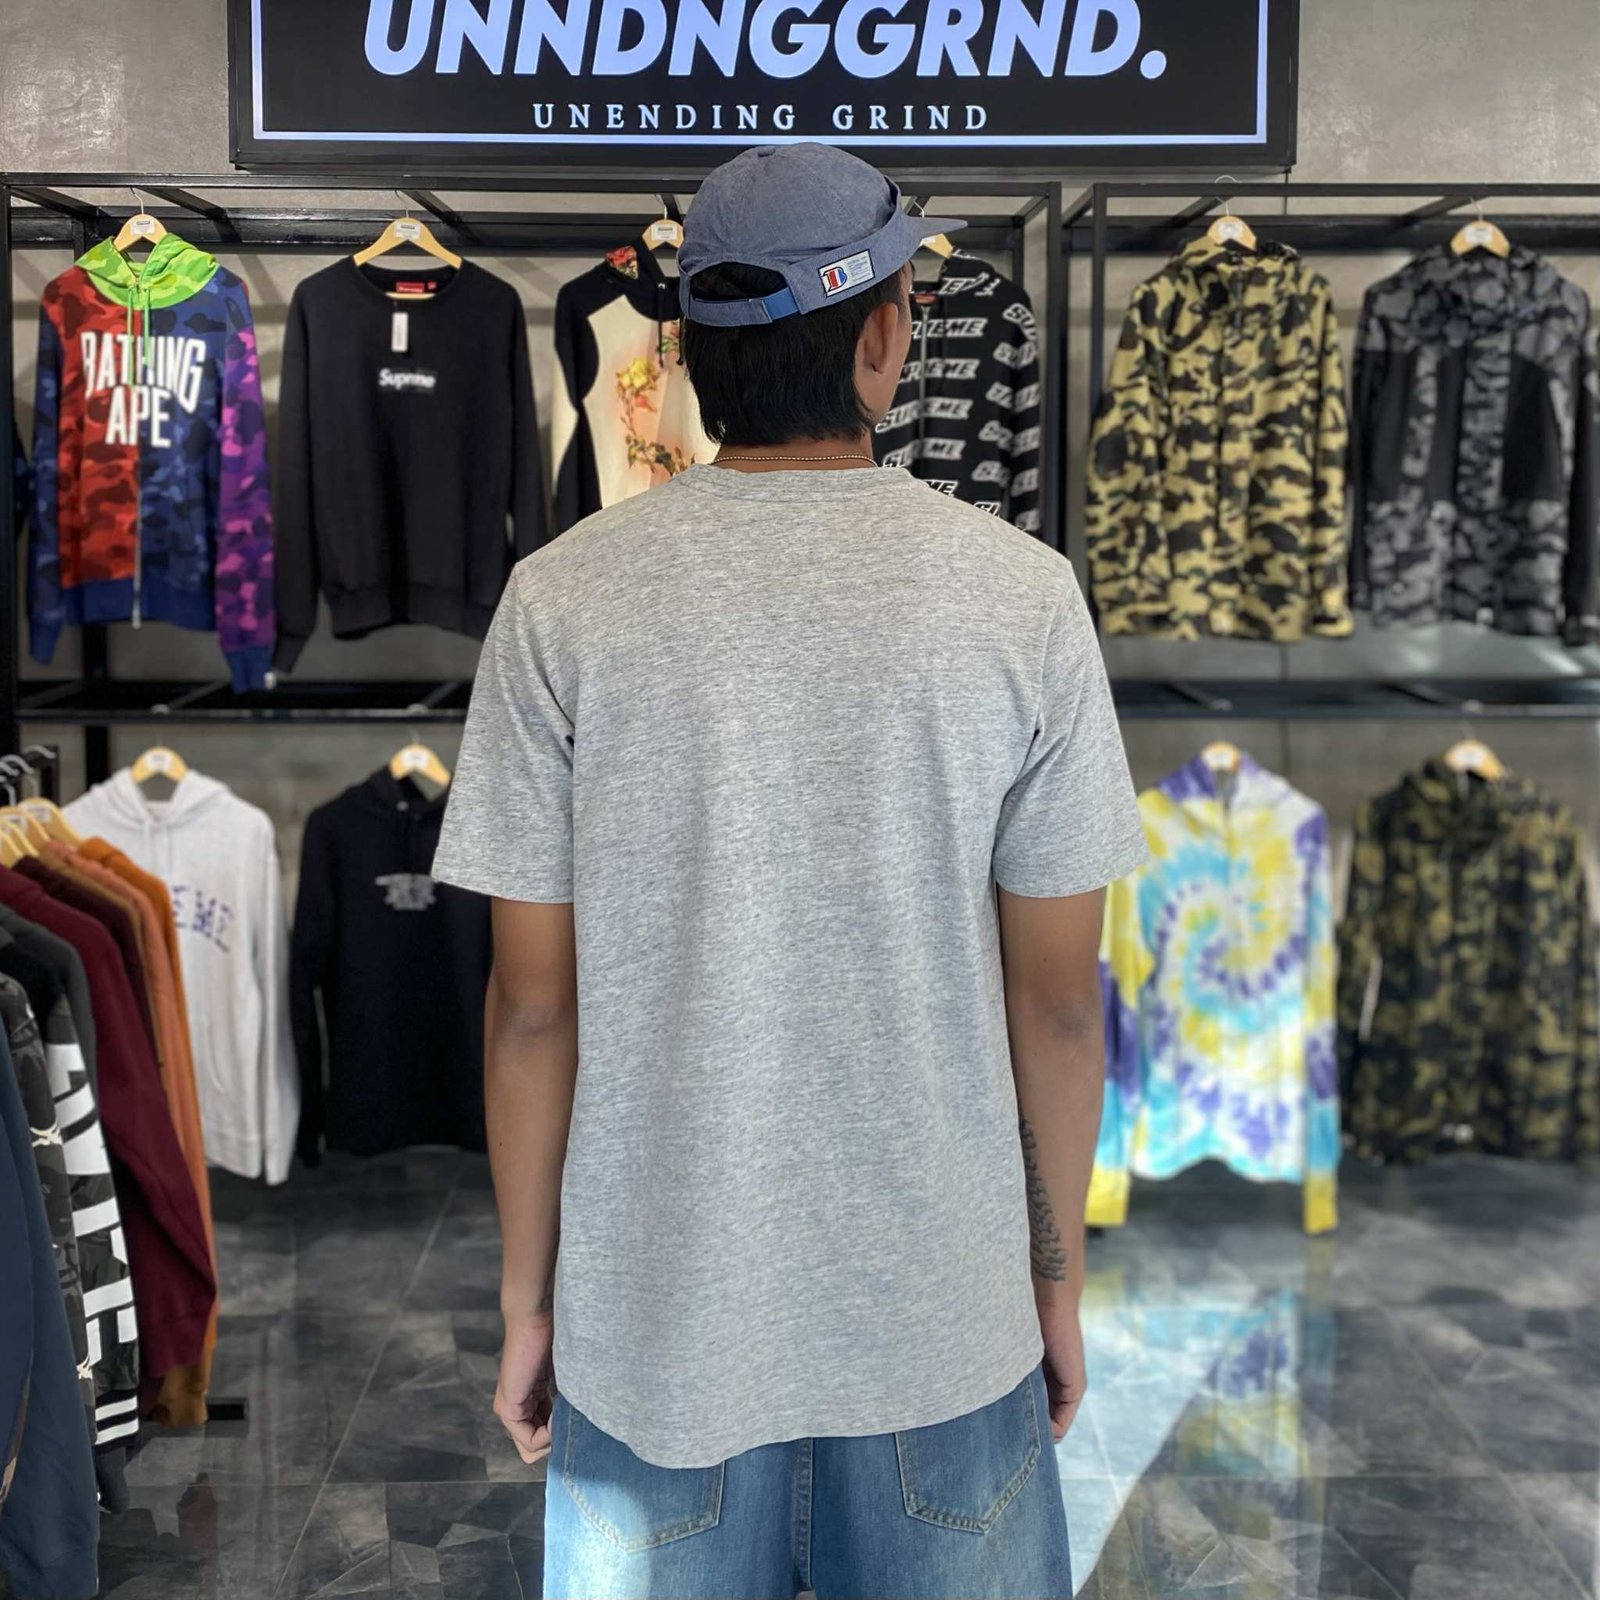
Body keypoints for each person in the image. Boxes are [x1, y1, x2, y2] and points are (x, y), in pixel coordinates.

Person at [430, 142, 1147, 1600]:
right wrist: (1056, 1285)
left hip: (656, 1340)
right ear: (883, 341)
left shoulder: (561, 601)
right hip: (946, 1330)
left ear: (692, 355)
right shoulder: (1024, 598)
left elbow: (531, 1007)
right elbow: (1061, 1005)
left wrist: (528, 1303)